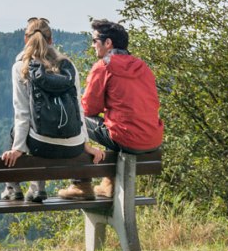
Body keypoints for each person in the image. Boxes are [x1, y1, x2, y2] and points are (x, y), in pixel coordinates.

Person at [56, 19, 164, 200]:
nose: (92, 46)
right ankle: (109, 184)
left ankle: (80, 185)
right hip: (152, 139)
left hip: (128, 138)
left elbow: (88, 108)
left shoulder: (104, 66)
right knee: (116, 122)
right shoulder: (143, 67)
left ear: (108, 43)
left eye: (95, 41)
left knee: (75, 118)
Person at [1, 17, 106, 202]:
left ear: (26, 39)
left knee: (16, 131)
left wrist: (17, 148)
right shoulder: (68, 67)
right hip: (73, 147)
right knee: (37, 129)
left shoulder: (21, 68)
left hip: (43, 147)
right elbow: (78, 108)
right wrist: (85, 144)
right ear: (51, 40)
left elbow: (22, 114)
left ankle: (15, 188)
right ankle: (34, 187)